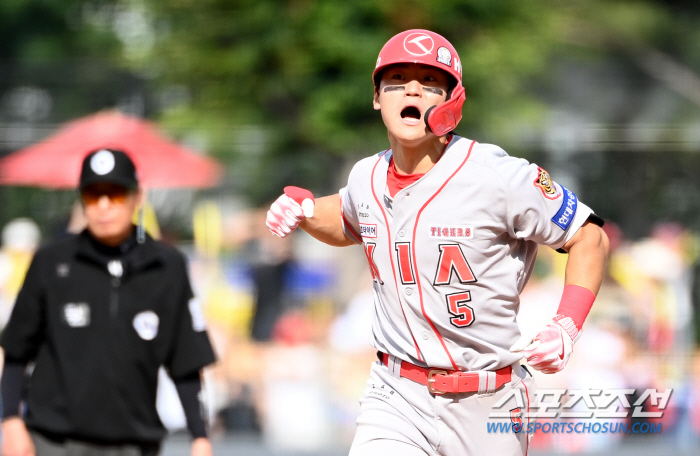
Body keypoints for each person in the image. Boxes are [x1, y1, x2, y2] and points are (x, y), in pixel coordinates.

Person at [266, 29, 609, 455]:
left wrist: (567, 325)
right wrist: (305, 211)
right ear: (377, 98)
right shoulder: (365, 176)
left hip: (489, 398)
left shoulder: (498, 176)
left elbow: (589, 236)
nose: (411, 88)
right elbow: (347, 219)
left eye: (430, 81)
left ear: (452, 101)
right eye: (396, 80)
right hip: (396, 394)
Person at [0, 149, 217, 456]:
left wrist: (200, 436)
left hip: (133, 442)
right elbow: (16, 351)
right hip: (55, 441)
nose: (103, 206)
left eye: (115, 194)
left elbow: (185, 361)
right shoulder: (53, 262)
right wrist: (10, 421)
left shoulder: (166, 266)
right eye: (93, 195)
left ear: (137, 197)